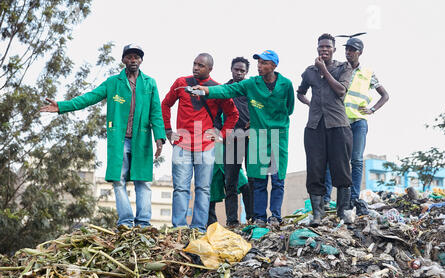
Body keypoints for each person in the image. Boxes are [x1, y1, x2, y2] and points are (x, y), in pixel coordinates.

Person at [40, 44, 166, 231]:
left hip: (142, 139)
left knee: (143, 180)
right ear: (124, 60)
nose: (133, 60)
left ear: (141, 60)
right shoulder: (113, 82)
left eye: (137, 57)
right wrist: (62, 106)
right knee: (118, 180)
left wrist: (160, 138)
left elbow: (156, 111)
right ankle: (125, 222)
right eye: (129, 56)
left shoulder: (150, 83)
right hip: (120, 140)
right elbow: (89, 97)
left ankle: (143, 224)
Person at [193, 50, 295, 227]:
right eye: (259, 63)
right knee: (242, 180)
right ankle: (252, 218)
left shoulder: (286, 84)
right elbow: (226, 91)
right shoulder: (250, 85)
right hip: (243, 139)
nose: (259, 66)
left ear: (274, 65)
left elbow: (290, 108)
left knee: (274, 179)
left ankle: (273, 216)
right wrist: (207, 90)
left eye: (264, 63)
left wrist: (263, 120)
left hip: (273, 137)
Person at [161, 53, 238, 233]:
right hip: (182, 145)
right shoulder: (181, 83)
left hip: (205, 147)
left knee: (203, 189)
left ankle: (198, 228)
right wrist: (168, 131)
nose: (196, 68)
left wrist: (220, 135)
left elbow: (233, 114)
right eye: (194, 64)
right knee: (180, 188)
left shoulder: (217, 89)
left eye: (201, 65)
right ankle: (179, 227)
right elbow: (165, 104)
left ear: (210, 69)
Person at [323, 37, 390, 211]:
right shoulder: (338, 68)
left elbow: (385, 95)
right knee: (334, 160)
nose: (348, 52)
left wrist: (373, 109)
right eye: (347, 49)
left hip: (359, 121)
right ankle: (326, 198)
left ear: (360, 52)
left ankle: (353, 198)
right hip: (339, 121)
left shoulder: (368, 73)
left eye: (352, 50)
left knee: (357, 160)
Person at [297, 34, 353, 227]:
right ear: (317, 48)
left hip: (338, 125)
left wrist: (324, 70)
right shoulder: (309, 71)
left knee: (342, 168)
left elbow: (341, 91)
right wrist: (311, 103)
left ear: (334, 49)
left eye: (328, 47)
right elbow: (300, 92)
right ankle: (317, 214)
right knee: (315, 170)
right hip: (314, 127)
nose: (324, 49)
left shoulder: (343, 67)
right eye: (321, 47)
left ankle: (343, 212)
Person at [213, 57, 254, 226]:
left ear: (246, 73)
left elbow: (260, 108)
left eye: (242, 71)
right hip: (230, 141)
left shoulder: (251, 90)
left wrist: (256, 122)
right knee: (230, 181)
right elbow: (215, 116)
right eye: (236, 69)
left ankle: (254, 217)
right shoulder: (224, 90)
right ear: (231, 69)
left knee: (252, 179)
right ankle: (232, 221)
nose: (239, 73)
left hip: (251, 139)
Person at [207, 142, 251, 228]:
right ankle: (212, 223)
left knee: (244, 185)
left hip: (227, 151)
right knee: (210, 192)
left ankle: (250, 217)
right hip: (211, 155)